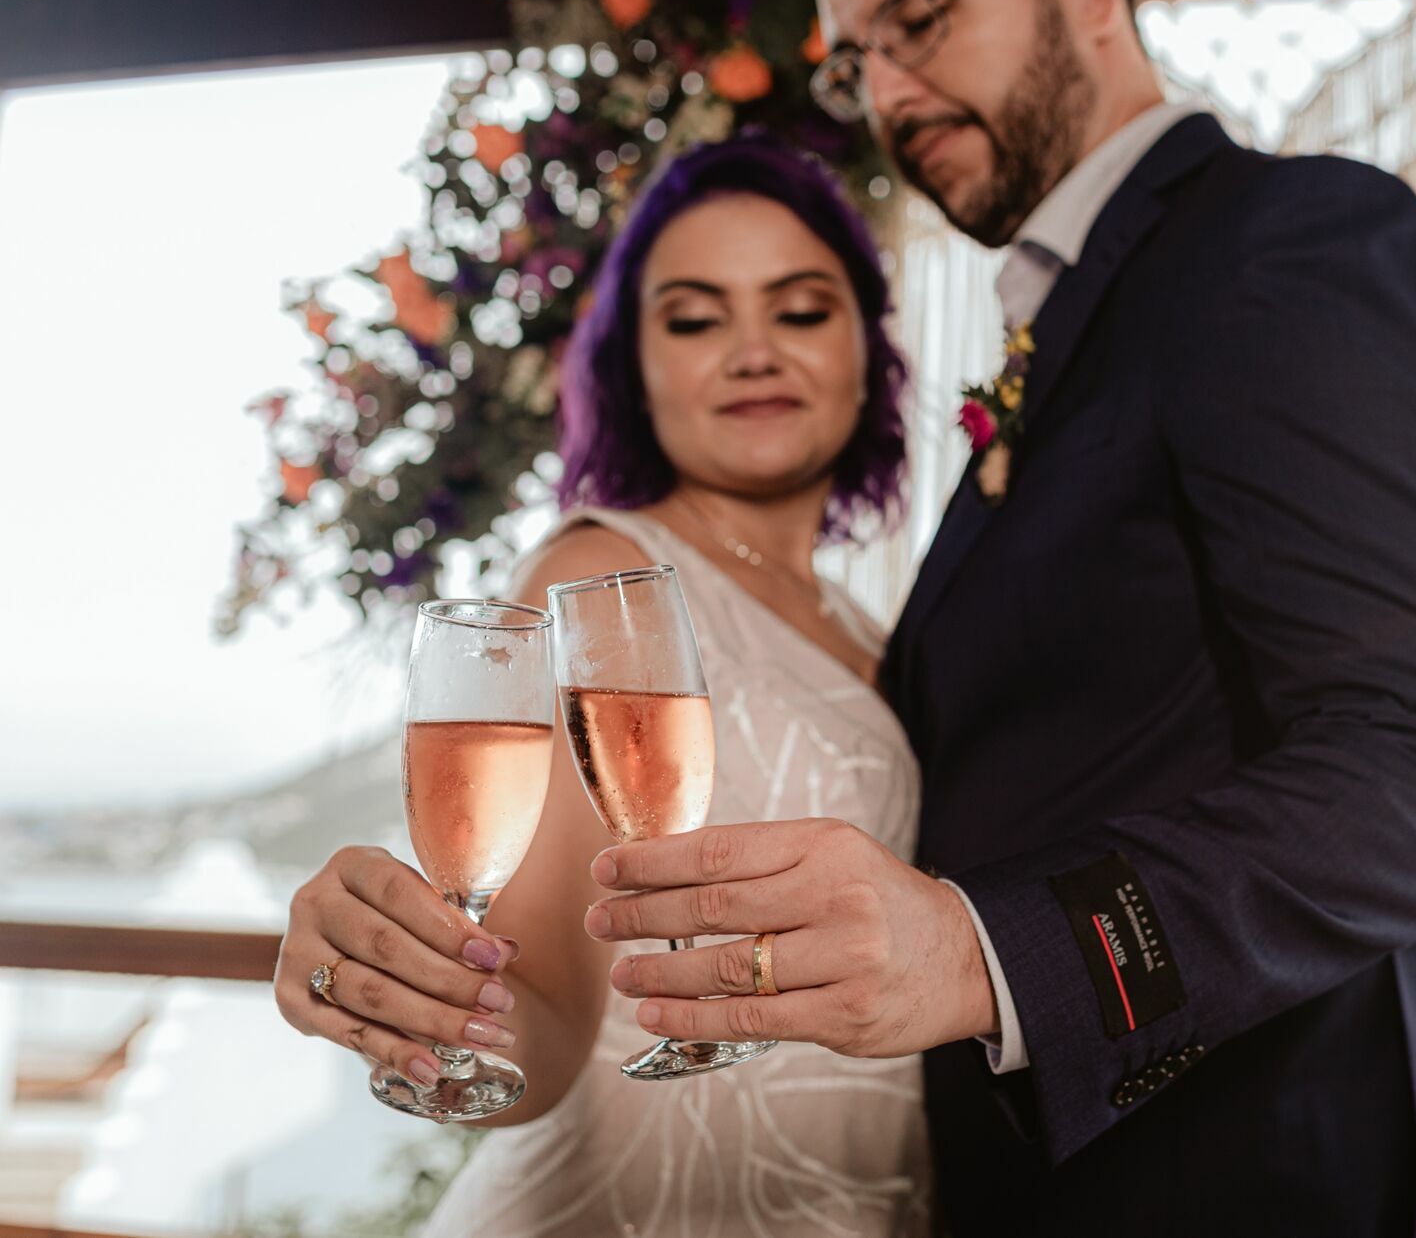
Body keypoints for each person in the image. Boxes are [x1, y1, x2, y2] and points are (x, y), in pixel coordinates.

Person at [578, 0, 1416, 1234]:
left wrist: (982, 954)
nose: (889, 92)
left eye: (920, 14)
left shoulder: (1284, 242)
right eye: (854, 62)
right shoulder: (1083, 321)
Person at [272, 133, 933, 1236]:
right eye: (695, 319)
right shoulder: (602, 580)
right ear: (633, 367)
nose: (754, 351)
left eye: (801, 309)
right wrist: (423, 1006)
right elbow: (541, 1012)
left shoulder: (866, 622)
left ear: (866, 345)